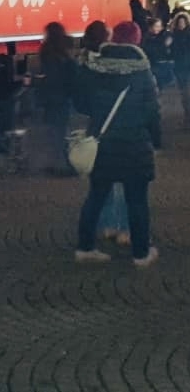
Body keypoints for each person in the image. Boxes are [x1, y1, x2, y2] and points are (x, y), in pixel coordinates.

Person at [73, 20, 161, 267]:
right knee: (137, 201)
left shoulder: (96, 68)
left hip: (103, 144)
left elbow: (82, 103)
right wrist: (157, 141)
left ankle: (85, 247)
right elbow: (153, 111)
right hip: (135, 145)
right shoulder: (143, 71)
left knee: (96, 197)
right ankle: (141, 253)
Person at [79, 20, 128, 246]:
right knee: (122, 182)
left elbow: (81, 103)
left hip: (96, 128)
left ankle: (107, 225)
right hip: (117, 128)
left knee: (101, 182)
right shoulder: (114, 64)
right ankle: (123, 229)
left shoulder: (84, 63)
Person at [37, 21, 77, 176]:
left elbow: (48, 76)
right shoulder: (64, 52)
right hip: (63, 97)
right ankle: (63, 165)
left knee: (54, 132)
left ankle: (56, 163)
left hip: (50, 98)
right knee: (60, 131)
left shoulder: (47, 52)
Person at [141, 16, 174, 93]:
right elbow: (152, 51)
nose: (159, 28)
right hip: (152, 64)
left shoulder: (158, 35)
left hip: (158, 64)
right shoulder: (146, 37)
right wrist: (164, 45)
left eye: (160, 26)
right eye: (156, 26)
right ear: (150, 27)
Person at [170, 10, 190, 126]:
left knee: (186, 93)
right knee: (184, 93)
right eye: (179, 23)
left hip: (187, 66)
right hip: (179, 66)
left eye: (183, 22)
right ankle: (187, 117)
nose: (181, 24)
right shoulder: (174, 35)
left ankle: (187, 118)